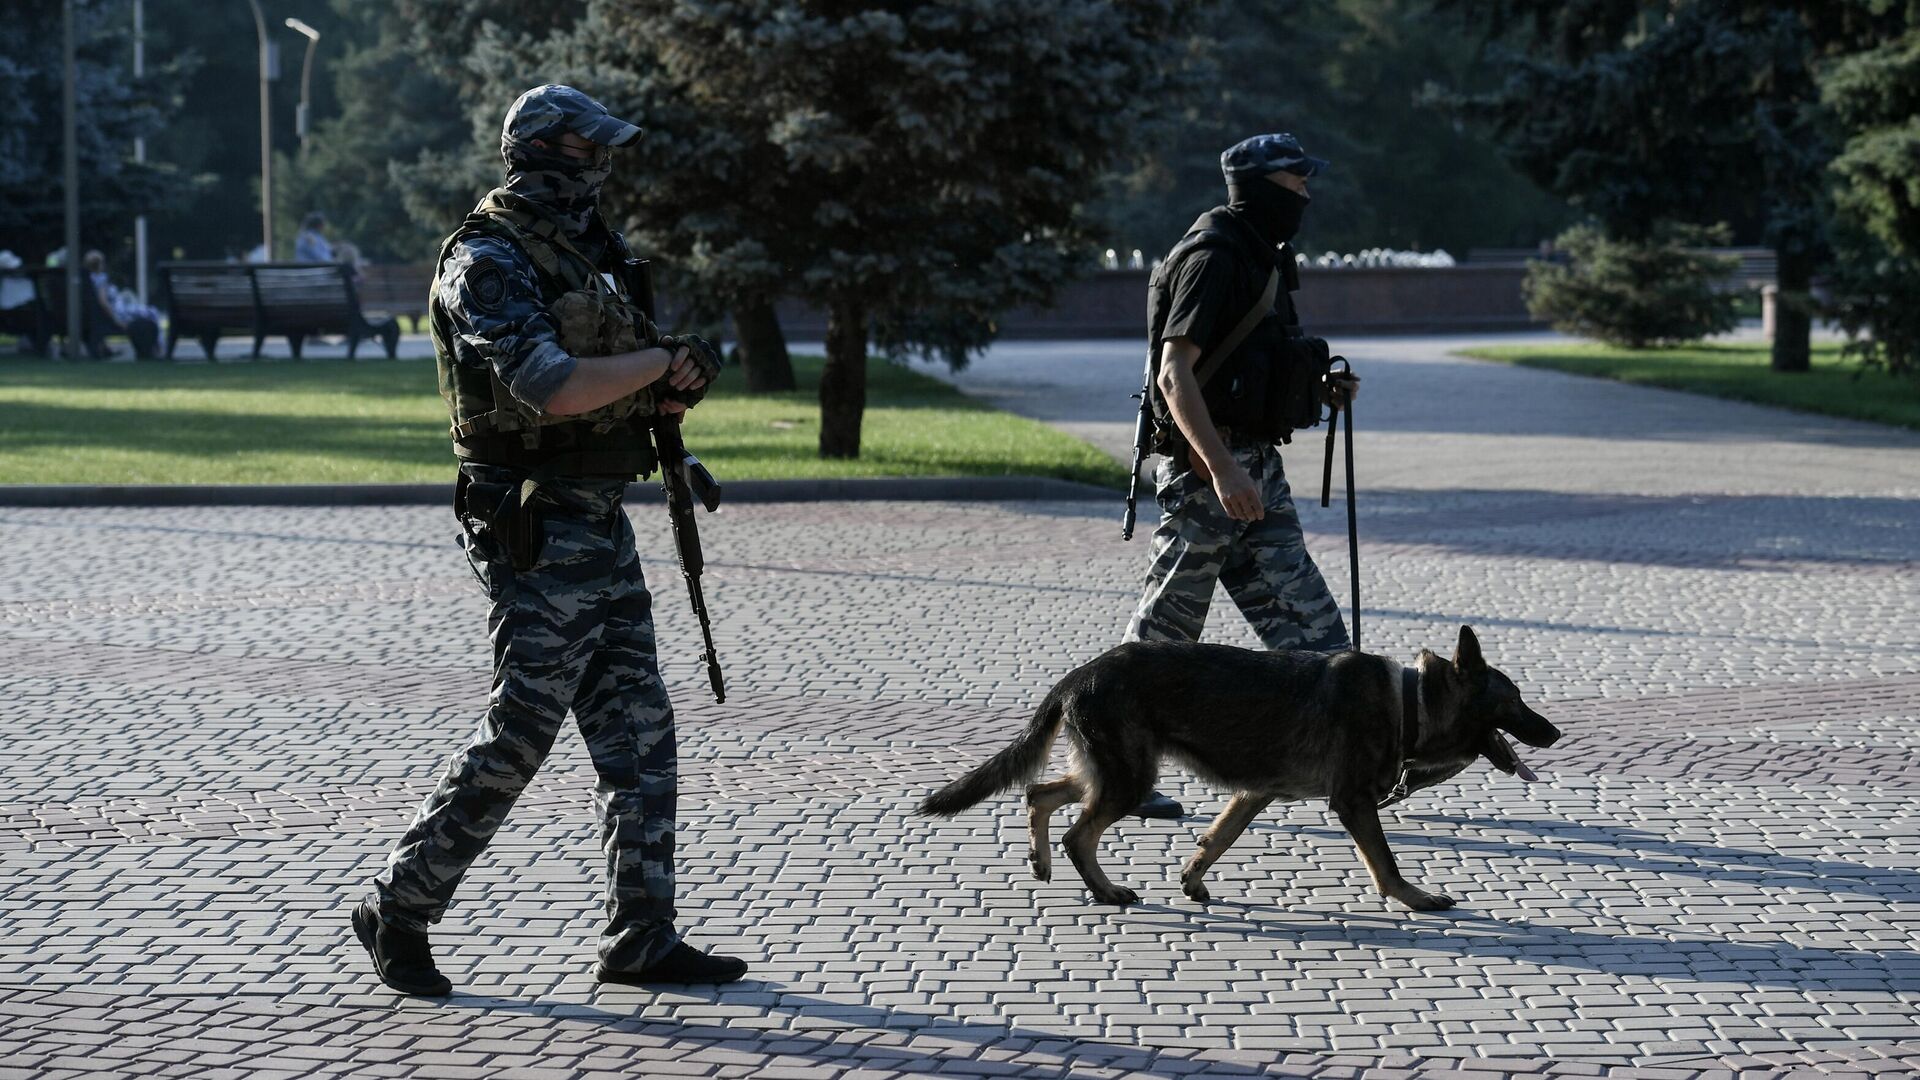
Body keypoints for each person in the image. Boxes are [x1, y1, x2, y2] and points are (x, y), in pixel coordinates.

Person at [353, 84, 738, 996]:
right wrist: (660, 357)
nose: (597, 167)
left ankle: (642, 937)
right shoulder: (485, 260)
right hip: (531, 523)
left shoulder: (588, 254)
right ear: (535, 151)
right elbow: (553, 385)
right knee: (522, 729)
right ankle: (398, 907)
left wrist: (673, 400)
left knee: (639, 730)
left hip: (597, 517)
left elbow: (620, 388)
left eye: (602, 151)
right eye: (582, 149)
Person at [1125, 133, 1360, 819]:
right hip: (1208, 475)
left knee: (1315, 636)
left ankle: (1354, 761)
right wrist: (1222, 470)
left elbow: (1253, 361)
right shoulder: (1212, 256)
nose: (1307, 196)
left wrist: (1319, 387)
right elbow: (1175, 373)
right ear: (1259, 187)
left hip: (1257, 468)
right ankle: (1126, 771)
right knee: (1164, 639)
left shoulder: (1265, 255)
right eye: (1296, 184)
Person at [82, 250, 162, 360]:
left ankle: (153, 348)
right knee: (153, 312)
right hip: (119, 312)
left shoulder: (86, 280)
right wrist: (117, 321)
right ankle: (158, 348)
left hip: (111, 312)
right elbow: (103, 302)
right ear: (100, 264)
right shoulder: (100, 279)